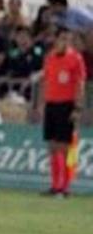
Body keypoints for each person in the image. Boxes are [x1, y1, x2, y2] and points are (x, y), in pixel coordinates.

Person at [35, 28, 86, 197]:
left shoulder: (75, 59)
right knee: (52, 146)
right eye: (62, 38)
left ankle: (64, 187)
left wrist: (77, 108)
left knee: (64, 147)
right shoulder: (49, 58)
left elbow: (79, 84)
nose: (65, 42)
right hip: (51, 104)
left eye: (68, 39)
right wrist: (41, 104)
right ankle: (54, 184)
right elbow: (46, 81)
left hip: (66, 105)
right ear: (56, 40)